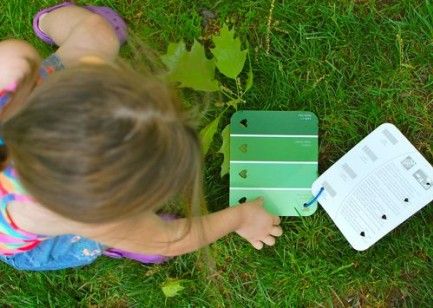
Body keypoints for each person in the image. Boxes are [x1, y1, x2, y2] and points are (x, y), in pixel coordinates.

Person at [0, 2, 282, 271]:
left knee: (97, 33)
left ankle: (49, 20)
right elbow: (169, 239)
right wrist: (241, 217)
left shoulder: (13, 65)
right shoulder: (80, 218)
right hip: (27, 243)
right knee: (139, 239)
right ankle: (115, 243)